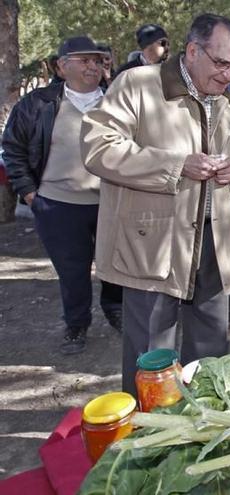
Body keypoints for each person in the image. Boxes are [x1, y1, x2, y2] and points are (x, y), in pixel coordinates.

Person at [80, 14, 230, 395]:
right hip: (153, 245)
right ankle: (148, 440)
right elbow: (99, 148)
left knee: (210, 354)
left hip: (215, 243)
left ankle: (207, 427)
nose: (229, 75)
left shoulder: (229, 104)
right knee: (151, 356)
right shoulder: (138, 85)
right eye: (222, 63)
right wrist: (176, 165)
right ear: (193, 51)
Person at [2, 36, 124, 355]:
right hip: (58, 205)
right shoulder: (39, 103)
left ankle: (116, 311)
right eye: (84, 60)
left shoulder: (116, 101)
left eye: (98, 60)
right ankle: (77, 325)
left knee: (115, 264)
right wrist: (29, 194)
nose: (93, 66)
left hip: (112, 202)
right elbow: (13, 148)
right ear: (61, 66)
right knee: (72, 271)